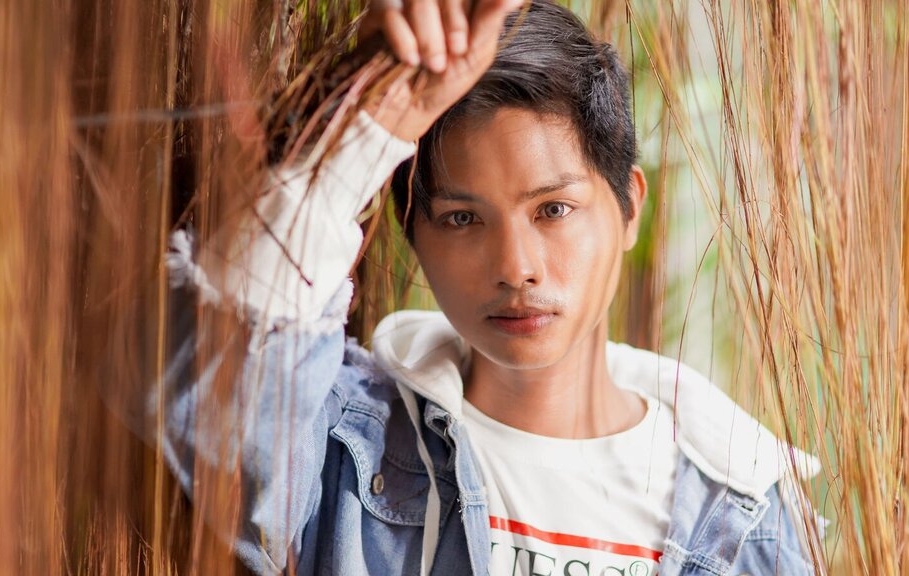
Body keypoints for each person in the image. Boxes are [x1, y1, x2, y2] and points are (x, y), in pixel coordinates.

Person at [154, 0, 822, 574]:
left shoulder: (743, 515)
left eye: (553, 209)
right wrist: (373, 130)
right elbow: (212, 380)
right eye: (462, 218)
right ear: (413, 234)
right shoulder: (341, 444)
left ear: (629, 209)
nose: (516, 267)